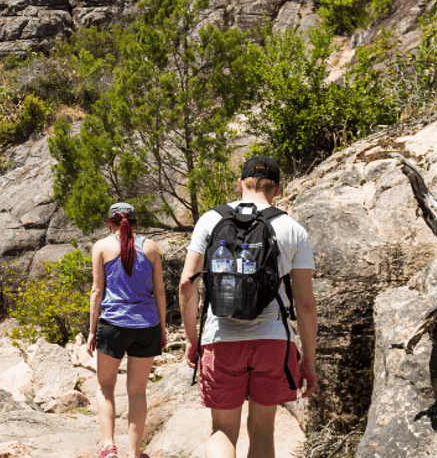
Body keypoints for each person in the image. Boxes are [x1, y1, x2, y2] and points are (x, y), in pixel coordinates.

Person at [178, 156, 317, 458]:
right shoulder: (293, 229)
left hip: (221, 338)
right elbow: (305, 305)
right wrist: (309, 360)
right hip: (273, 341)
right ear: (277, 189)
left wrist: (191, 340)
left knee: (222, 431)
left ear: (240, 184)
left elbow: (186, 285)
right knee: (263, 433)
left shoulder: (210, 220)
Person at [88, 201, 166, 458]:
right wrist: (162, 329)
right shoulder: (151, 247)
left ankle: (109, 447)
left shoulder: (101, 247)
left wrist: (91, 331)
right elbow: (160, 293)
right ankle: (134, 453)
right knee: (137, 392)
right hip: (147, 326)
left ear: (110, 222)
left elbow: (97, 291)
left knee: (104, 387)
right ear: (135, 223)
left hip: (113, 325)